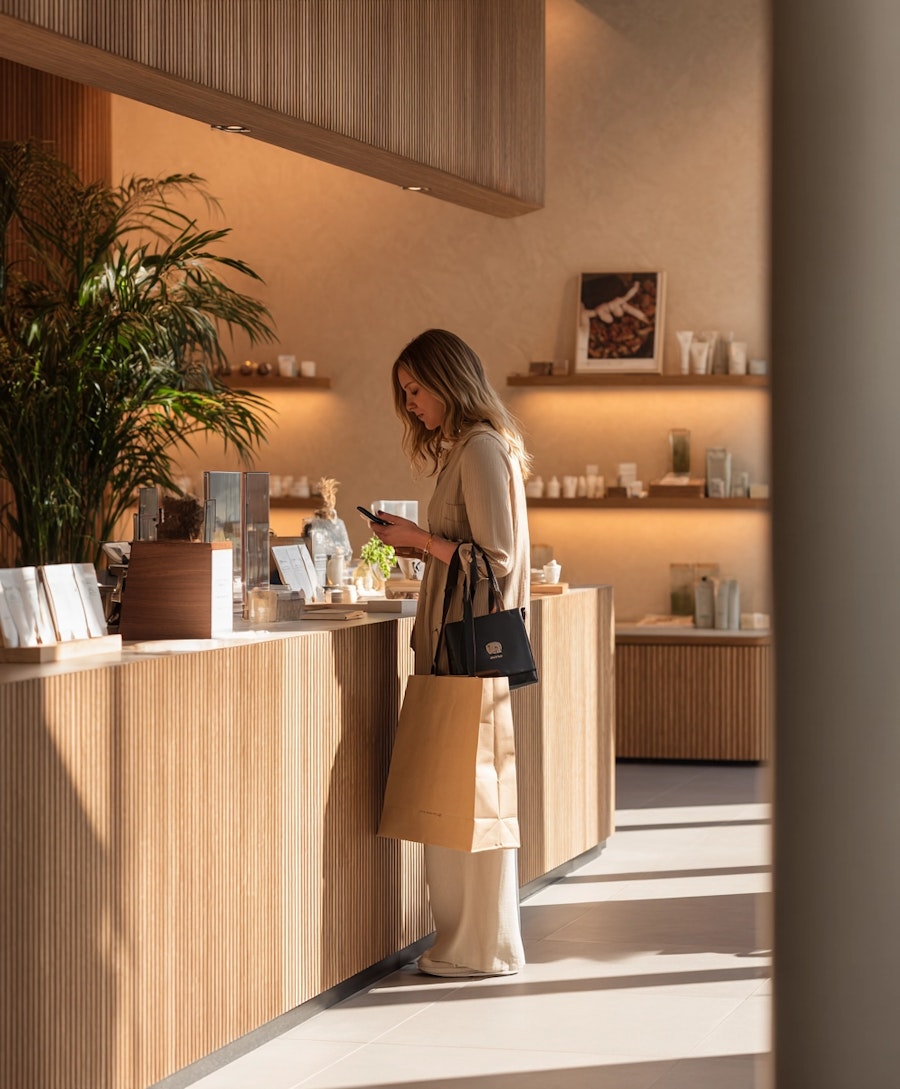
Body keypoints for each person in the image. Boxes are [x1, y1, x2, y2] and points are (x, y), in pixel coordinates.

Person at [368, 328, 531, 978]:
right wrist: (417, 544)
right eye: (403, 393)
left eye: (415, 389)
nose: (409, 404)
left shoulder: (482, 449)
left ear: (447, 380)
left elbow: (497, 560)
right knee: (458, 798)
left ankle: (478, 946)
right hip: (455, 652)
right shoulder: (468, 448)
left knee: (472, 800)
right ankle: (464, 940)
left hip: (471, 654)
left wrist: (421, 538)